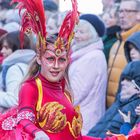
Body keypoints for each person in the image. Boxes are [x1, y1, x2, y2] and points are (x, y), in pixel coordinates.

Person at [68, 14, 107, 135]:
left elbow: (77, 93)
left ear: (93, 34)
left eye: (82, 32)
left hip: (84, 119)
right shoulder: (84, 54)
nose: (77, 36)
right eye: (76, 32)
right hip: (81, 115)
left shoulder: (92, 57)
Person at [88, 61, 140, 138]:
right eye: (123, 79)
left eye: (129, 80)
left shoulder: (136, 107)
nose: (123, 83)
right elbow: (100, 127)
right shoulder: (118, 102)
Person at [107, 0, 140, 108]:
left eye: (127, 11)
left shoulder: (138, 43)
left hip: (129, 110)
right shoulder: (116, 43)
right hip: (111, 110)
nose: (122, 15)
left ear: (138, 14)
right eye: (120, 11)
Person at [0, 31, 36, 112]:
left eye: (6, 47)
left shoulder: (14, 69)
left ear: (16, 47)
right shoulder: (29, 64)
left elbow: (14, 99)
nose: (2, 51)